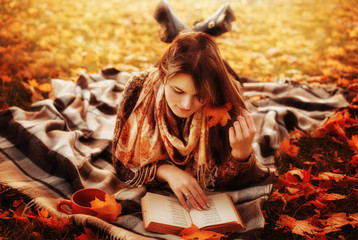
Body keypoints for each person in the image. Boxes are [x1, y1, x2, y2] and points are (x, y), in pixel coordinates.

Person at [112, 30, 268, 212]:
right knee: (193, 46)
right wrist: (165, 171)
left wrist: (241, 153)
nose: (186, 105)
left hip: (221, 76)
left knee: (206, 57)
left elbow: (227, 182)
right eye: (178, 91)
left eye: (200, 95)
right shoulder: (137, 89)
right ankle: (192, 29)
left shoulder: (224, 99)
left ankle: (194, 29)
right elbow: (121, 165)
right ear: (163, 76)